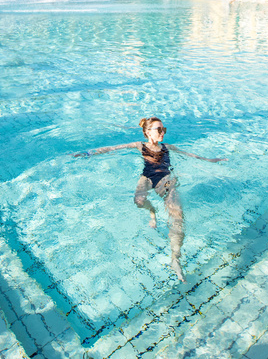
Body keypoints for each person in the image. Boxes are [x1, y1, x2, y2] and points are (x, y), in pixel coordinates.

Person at [74, 116, 225, 282]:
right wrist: (88, 153)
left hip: (165, 179)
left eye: (164, 129)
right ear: (147, 132)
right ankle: (152, 211)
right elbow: (113, 148)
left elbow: (191, 155)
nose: (162, 133)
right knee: (138, 201)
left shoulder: (167, 147)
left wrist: (212, 160)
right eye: (158, 130)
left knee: (177, 215)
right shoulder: (140, 145)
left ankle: (175, 259)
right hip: (147, 177)